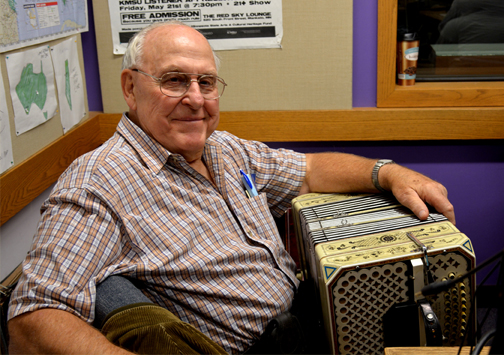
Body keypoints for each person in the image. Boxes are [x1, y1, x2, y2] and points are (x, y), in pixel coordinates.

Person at [7, 20, 455, 354]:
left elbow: (309, 170)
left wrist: (390, 173)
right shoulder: (98, 181)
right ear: (131, 87)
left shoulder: (225, 150)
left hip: (306, 315)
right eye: (175, 80)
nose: (196, 99)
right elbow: (31, 317)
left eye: (206, 82)